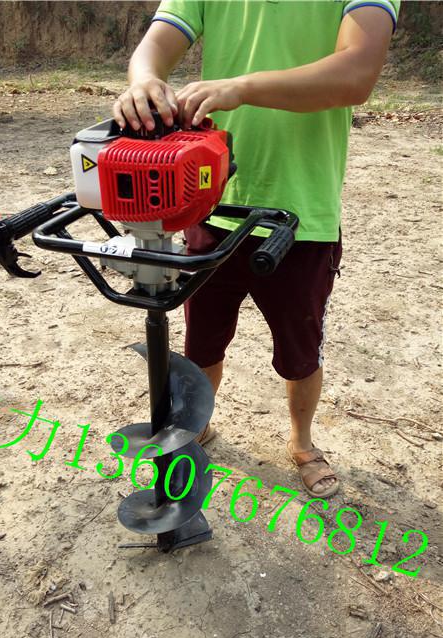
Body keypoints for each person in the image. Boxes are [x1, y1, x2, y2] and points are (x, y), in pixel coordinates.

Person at [113, 0, 400, 498]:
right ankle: (196, 426)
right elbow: (154, 46)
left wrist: (242, 87)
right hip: (209, 200)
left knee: (299, 350)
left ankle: (302, 442)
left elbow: (356, 74)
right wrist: (144, 80)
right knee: (202, 341)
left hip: (301, 213)